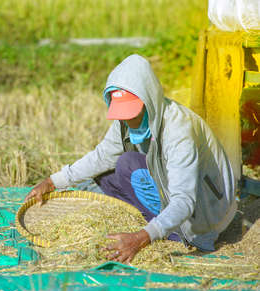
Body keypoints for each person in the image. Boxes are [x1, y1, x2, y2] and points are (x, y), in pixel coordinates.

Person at [25, 54, 237, 264]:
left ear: (148, 101)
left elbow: (184, 200)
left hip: (205, 214)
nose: (128, 121)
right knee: (104, 178)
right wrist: (53, 181)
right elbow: (102, 156)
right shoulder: (126, 122)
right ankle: (158, 222)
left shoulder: (178, 129)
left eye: (132, 113)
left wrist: (142, 238)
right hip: (175, 190)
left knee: (128, 164)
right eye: (122, 114)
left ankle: (176, 232)